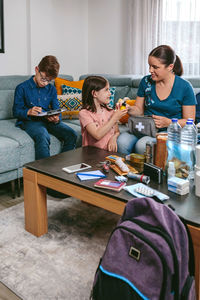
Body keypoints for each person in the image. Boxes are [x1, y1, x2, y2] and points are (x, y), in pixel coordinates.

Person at [117, 45, 197, 155]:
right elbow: (139, 111)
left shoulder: (185, 87)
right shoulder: (146, 81)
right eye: (149, 66)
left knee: (143, 145)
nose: (150, 70)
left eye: (155, 67)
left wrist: (168, 122)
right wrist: (128, 108)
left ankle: (146, 173)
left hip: (168, 132)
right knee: (121, 142)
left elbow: (189, 121)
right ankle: (124, 171)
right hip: (144, 127)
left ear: (170, 67)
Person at [13, 55, 77, 160]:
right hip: (30, 121)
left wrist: (57, 119)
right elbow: (16, 111)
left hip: (48, 120)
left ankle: (63, 165)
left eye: (49, 80)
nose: (45, 83)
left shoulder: (51, 89)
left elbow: (57, 109)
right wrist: (28, 111)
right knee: (43, 135)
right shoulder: (22, 88)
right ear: (37, 70)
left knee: (71, 134)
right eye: (43, 78)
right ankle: (44, 173)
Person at [79, 75, 127, 152]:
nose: (110, 93)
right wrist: (114, 118)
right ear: (94, 94)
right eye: (106, 90)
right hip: (92, 155)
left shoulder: (110, 111)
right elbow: (97, 135)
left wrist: (113, 138)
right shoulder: (84, 114)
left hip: (109, 155)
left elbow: (117, 132)